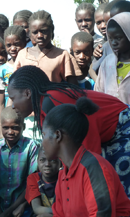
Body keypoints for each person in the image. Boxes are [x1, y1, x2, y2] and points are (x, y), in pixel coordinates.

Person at [8, 65, 130, 197]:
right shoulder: (43, 109)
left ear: (27, 93)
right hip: (109, 137)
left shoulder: (52, 99)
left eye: (13, 98)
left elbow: (87, 138)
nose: (12, 105)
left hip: (124, 127)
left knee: (114, 191)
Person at [42, 97, 130, 217]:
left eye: (43, 134)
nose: (42, 143)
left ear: (58, 135)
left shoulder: (93, 168)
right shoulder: (63, 174)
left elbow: (102, 214)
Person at [0, 107, 39, 217]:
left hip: (22, 208)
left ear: (23, 127)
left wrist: (8, 212)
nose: (10, 132)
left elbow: (32, 183)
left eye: (15, 128)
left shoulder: (31, 147)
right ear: (0, 127)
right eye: (5, 127)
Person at [14, 10, 82, 85]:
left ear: (52, 30)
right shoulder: (22, 55)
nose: (39, 36)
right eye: (35, 32)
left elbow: (73, 88)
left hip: (53, 96)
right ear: (30, 34)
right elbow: (15, 84)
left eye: (44, 31)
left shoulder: (62, 55)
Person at [95, 12, 130, 104]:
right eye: (110, 38)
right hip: (110, 116)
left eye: (118, 38)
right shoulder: (107, 62)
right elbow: (99, 92)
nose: (113, 42)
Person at [25, 148, 60, 217]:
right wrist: (60, 212)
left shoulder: (64, 178)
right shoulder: (33, 178)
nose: (47, 164)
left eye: (52, 160)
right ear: (37, 161)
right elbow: (37, 208)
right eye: (42, 160)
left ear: (60, 163)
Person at [92, 0, 124, 73]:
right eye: (98, 22)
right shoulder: (101, 47)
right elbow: (92, 70)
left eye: (105, 22)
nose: (103, 26)